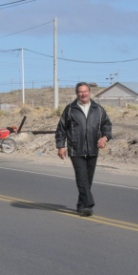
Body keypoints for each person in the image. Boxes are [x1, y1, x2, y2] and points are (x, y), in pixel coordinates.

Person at [56, 82, 112, 216]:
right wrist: (60, 146)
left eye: (85, 91)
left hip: (93, 148)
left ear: (90, 92)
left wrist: (105, 138)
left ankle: (81, 205)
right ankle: (88, 204)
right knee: (81, 177)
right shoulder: (70, 109)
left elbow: (107, 125)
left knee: (88, 179)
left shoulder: (98, 109)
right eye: (80, 92)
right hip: (76, 148)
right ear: (77, 94)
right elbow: (61, 129)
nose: (83, 94)